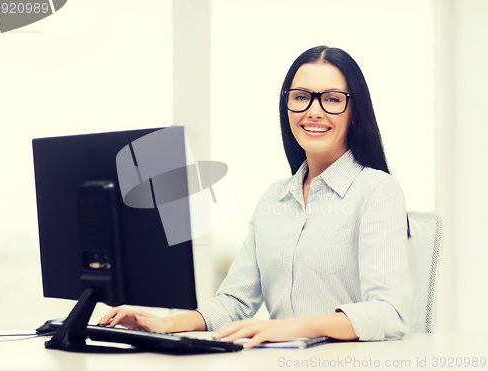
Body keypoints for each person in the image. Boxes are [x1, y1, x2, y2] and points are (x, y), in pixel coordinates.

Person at [99, 46, 413, 349]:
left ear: (355, 112)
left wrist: (293, 327)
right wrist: (166, 324)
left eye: (332, 99)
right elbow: (235, 301)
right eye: (301, 97)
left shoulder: (378, 191)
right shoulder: (274, 198)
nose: (314, 111)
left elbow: (389, 313)